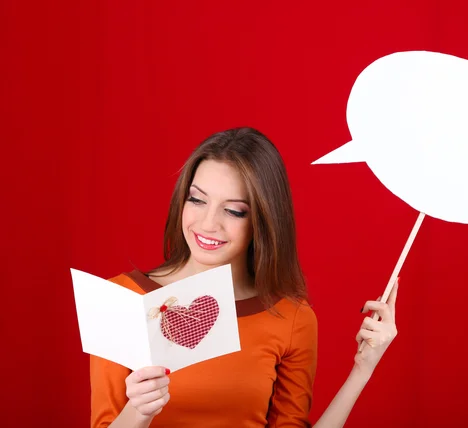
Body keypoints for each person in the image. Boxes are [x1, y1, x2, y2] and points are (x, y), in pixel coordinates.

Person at [90, 127, 398, 427]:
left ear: (263, 220)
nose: (208, 224)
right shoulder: (122, 299)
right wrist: (138, 414)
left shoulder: (291, 318)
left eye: (234, 211)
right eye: (197, 200)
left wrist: (362, 370)